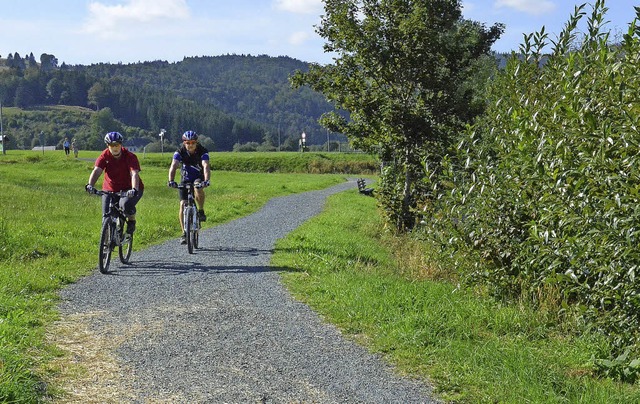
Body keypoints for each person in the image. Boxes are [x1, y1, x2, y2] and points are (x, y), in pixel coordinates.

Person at [85, 132, 144, 235]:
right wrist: (90, 185)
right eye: (112, 145)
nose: (115, 148)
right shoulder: (104, 156)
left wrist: (134, 189)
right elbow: (97, 171)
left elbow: (134, 174)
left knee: (124, 205)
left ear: (121, 144)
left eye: (117, 145)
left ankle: (131, 220)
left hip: (129, 188)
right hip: (110, 188)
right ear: (108, 146)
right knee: (106, 215)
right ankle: (105, 245)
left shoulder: (130, 156)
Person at [168, 130, 210, 244]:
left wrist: (206, 180)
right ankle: (184, 233)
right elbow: (174, 165)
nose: (190, 145)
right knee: (182, 204)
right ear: (184, 143)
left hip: (198, 177)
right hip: (185, 179)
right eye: (187, 143)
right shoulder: (179, 152)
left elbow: (205, 166)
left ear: (196, 142)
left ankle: (200, 210)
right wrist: (171, 180)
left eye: (192, 142)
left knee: (197, 187)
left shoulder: (202, 151)